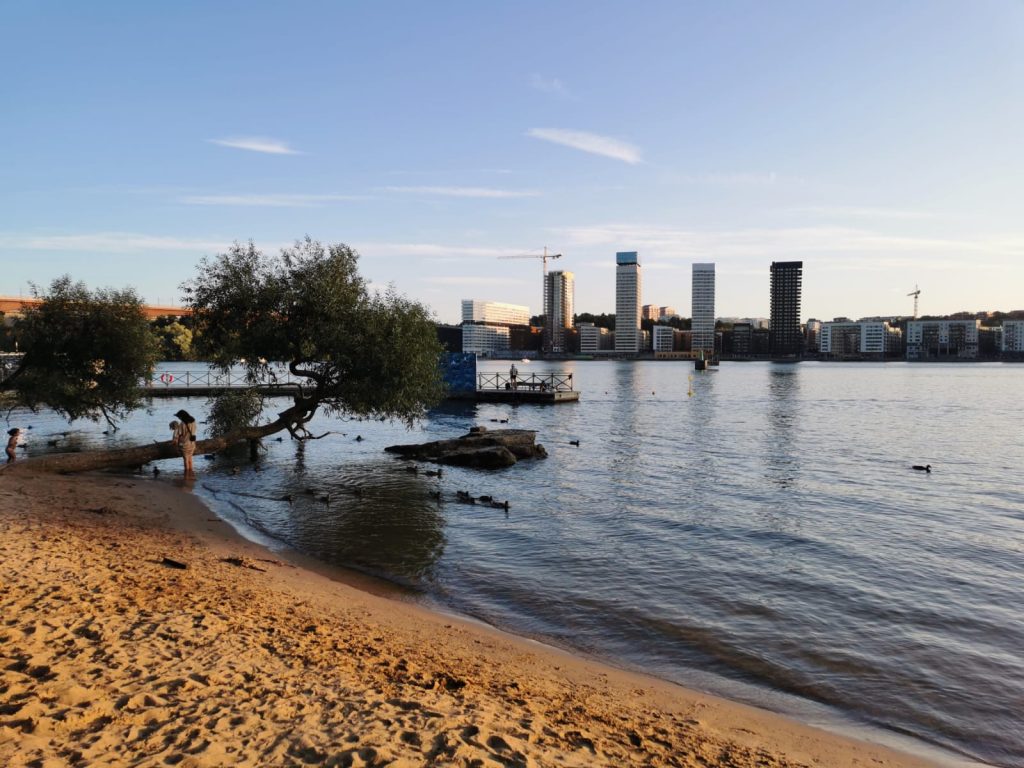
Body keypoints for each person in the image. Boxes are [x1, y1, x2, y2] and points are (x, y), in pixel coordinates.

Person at [172, 409, 197, 476]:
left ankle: (186, 476)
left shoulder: (182, 424)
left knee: (185, 460)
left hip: (184, 444)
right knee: (190, 459)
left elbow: (178, 434)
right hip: (192, 443)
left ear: (182, 416)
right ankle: (191, 474)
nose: (179, 418)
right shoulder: (193, 421)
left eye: (179, 417)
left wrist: (175, 441)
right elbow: (195, 430)